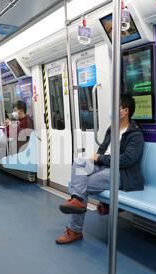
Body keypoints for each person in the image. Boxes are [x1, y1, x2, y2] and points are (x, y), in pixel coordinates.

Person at [55, 94, 145, 245]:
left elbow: (127, 160)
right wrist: (95, 159)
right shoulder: (112, 129)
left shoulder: (135, 134)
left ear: (125, 111)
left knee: (81, 186)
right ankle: (77, 201)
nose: (112, 110)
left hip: (121, 173)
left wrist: (100, 159)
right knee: (79, 162)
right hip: (103, 166)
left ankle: (75, 229)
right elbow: (103, 149)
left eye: (116, 107)